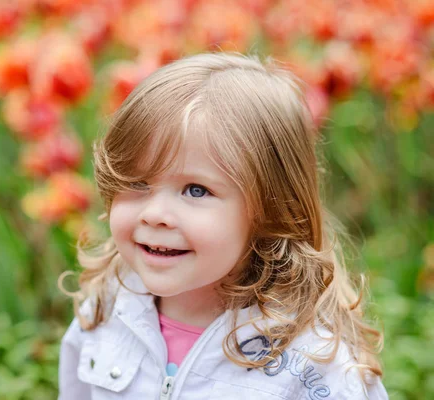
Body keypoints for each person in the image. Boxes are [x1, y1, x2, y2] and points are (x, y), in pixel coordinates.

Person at [58, 53, 388, 399]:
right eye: (137, 183)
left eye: (196, 190)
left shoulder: (313, 364)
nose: (154, 213)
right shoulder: (107, 308)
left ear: (270, 209)